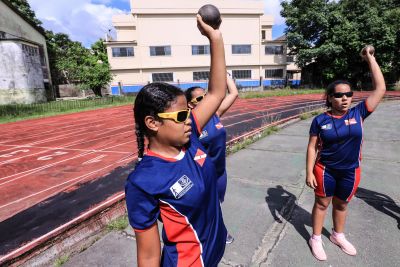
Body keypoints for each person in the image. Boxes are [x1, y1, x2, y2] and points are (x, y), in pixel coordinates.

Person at [125, 15, 227, 267]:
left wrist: (215, 37)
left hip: (213, 253)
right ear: (153, 123)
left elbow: (216, 92)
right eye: (182, 115)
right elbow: (148, 256)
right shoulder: (143, 182)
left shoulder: (189, 137)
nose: (190, 120)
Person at [306, 46, 386, 261]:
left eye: (348, 94)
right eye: (339, 95)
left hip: (351, 171)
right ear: (330, 98)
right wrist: (309, 173)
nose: (345, 98)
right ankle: (315, 237)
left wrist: (370, 58)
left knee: (342, 205)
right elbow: (312, 147)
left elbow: (380, 89)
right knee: (322, 204)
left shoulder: (359, 113)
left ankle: (337, 235)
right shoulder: (320, 120)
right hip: (325, 170)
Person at [185, 74, 238, 244]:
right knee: (208, 206)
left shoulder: (215, 113)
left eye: (206, 95)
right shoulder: (189, 124)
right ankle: (217, 233)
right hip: (203, 175)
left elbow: (233, 93)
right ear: (190, 104)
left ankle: (214, 232)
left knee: (216, 204)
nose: (206, 100)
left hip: (220, 172)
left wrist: (226, 75)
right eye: (200, 98)